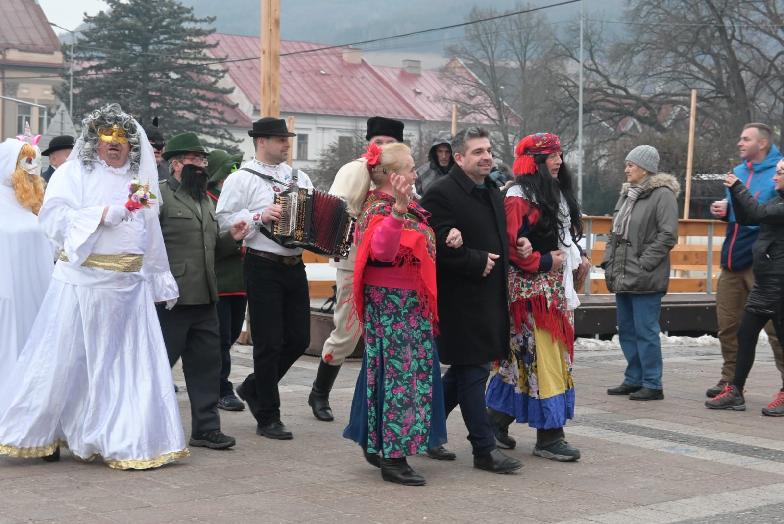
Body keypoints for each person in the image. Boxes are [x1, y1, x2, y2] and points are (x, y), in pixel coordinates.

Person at [0, 103, 187, 469]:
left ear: (133, 145)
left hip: (128, 291)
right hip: (81, 285)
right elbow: (53, 219)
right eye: (107, 135)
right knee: (66, 361)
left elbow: (150, 234)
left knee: (125, 366)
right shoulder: (74, 174)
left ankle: (123, 435)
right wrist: (99, 215)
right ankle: (44, 433)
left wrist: (159, 277)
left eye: (122, 137)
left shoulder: (140, 183)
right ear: (96, 140)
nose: (114, 142)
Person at [344, 142, 451, 486]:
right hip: (393, 305)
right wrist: (399, 211)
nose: (416, 173)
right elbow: (382, 251)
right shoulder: (381, 209)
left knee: (394, 375)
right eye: (410, 168)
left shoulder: (399, 207)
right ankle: (393, 457)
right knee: (401, 377)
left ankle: (382, 445)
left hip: (406, 304)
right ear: (393, 176)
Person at [419, 127, 522, 474]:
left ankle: (424, 431)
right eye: (477, 151)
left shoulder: (491, 189)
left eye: (488, 150)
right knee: (474, 370)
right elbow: (432, 250)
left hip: (490, 297)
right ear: (459, 158)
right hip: (460, 300)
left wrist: (516, 251)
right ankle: (483, 448)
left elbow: (494, 237)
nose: (486, 156)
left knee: (463, 373)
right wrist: (477, 261)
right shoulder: (440, 194)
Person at [485, 133, 590, 461]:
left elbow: (559, 238)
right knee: (544, 361)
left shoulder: (551, 193)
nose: (559, 161)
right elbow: (510, 246)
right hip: (530, 297)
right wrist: (544, 261)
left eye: (559, 155)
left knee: (524, 362)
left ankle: (494, 421)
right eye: (551, 156)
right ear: (534, 161)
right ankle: (549, 435)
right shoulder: (518, 197)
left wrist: (576, 258)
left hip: (551, 293)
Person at [216, 117, 313, 440]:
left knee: (299, 339)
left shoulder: (299, 177)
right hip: (261, 264)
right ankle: (268, 415)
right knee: (268, 343)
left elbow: (314, 217)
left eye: (286, 139)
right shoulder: (241, 179)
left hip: (294, 264)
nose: (286, 144)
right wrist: (258, 216)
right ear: (260, 142)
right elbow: (223, 223)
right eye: (279, 139)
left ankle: (255, 386)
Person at [309, 116, 404, 422]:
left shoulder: (404, 172)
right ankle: (320, 392)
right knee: (347, 331)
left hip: (391, 267)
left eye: (391, 143)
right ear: (369, 143)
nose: (385, 147)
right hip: (355, 263)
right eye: (380, 142)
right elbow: (338, 210)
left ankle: (380, 396)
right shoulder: (355, 169)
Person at [158, 133, 245, 450]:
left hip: (207, 297)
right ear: (177, 164)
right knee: (158, 365)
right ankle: (147, 425)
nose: (202, 165)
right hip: (172, 300)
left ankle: (206, 429)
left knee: (207, 367)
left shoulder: (205, 201)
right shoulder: (159, 197)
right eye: (196, 160)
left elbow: (211, 250)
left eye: (204, 160)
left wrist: (231, 237)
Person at [705, 123, 784, 416]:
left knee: (777, 333)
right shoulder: (740, 171)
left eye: (745, 138)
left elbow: (758, 215)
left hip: (769, 270)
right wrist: (726, 210)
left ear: (762, 143)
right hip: (738, 258)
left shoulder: (775, 173)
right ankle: (732, 385)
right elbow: (745, 212)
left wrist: (738, 195)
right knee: (734, 328)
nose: (739, 142)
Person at [603, 145, 679, 401]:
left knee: (645, 330)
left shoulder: (662, 195)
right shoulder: (627, 195)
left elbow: (668, 234)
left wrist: (644, 262)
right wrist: (608, 261)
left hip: (646, 276)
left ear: (644, 168)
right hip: (624, 274)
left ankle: (652, 383)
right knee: (626, 329)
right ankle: (633, 379)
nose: (626, 169)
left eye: (630, 165)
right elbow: (615, 232)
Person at [0, 137, 53, 364]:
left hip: (35, 293)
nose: (31, 166)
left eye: (34, 160)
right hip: (8, 296)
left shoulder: (31, 204)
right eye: (25, 160)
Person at [206, 148, 247, 411]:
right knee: (219, 337)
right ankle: (221, 387)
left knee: (230, 335)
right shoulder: (209, 201)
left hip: (240, 282)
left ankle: (213, 378)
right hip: (219, 280)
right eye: (227, 171)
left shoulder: (238, 200)